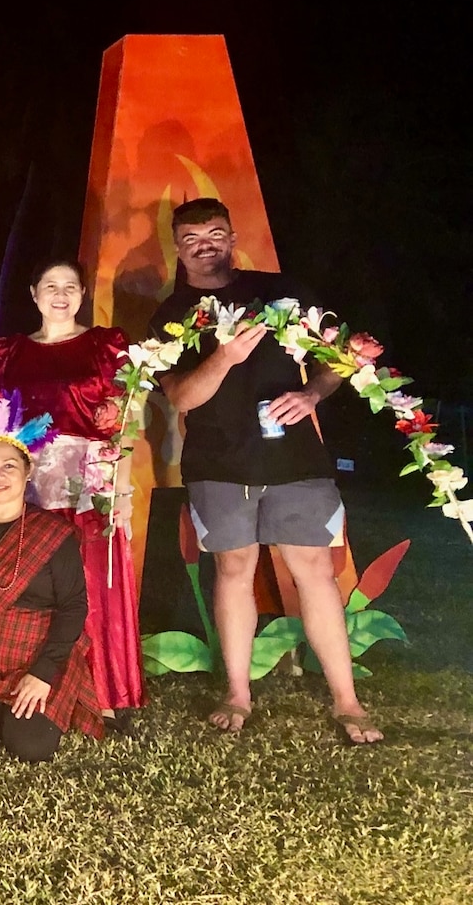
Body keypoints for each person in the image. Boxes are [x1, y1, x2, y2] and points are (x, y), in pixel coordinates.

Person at [149, 198, 381, 744]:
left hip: (295, 458)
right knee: (233, 571)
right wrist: (224, 357)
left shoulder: (281, 293)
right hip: (219, 463)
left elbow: (336, 358)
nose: (205, 244)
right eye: (192, 237)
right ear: (178, 248)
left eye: (215, 233)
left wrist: (312, 393)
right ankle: (238, 693)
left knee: (314, 572)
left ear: (232, 237)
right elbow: (182, 397)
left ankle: (347, 701)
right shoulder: (170, 315)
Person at [0, 259, 144, 717]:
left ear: (81, 294)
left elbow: (125, 418)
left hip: (89, 476)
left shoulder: (105, 344)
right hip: (31, 480)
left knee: (93, 578)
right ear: (33, 292)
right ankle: (40, 684)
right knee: (38, 579)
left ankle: (101, 690)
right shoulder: (8, 352)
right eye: (50, 285)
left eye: (70, 287)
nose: (60, 295)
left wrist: (124, 489)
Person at [0, 391, 104, 762]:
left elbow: (74, 607)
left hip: (38, 660)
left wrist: (44, 673)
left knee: (30, 745)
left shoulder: (52, 532)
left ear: (27, 470)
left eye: (9, 466)